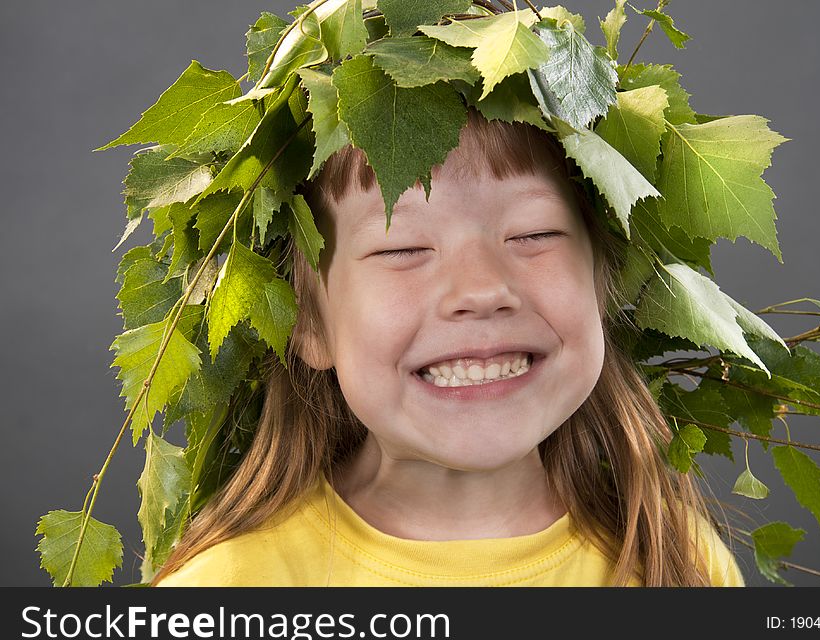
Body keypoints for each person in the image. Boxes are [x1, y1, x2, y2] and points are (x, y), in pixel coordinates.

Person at [154, 106, 745, 587]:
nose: (482, 289)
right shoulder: (228, 593)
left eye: (534, 234)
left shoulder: (679, 565)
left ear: (601, 282)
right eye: (400, 247)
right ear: (308, 321)